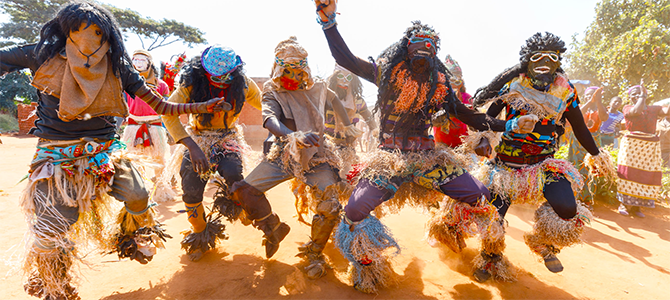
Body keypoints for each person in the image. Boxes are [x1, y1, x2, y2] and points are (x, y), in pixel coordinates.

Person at [0, 2, 224, 299]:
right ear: (66, 31)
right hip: (55, 156)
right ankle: (56, 283)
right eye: (77, 30)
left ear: (106, 35)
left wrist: (197, 107)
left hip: (106, 152)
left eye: (94, 31)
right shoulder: (42, 54)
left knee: (138, 193)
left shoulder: (117, 64)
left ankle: (133, 235)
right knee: (51, 228)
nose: (86, 39)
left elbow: (162, 106)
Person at [314, 1, 537, 292]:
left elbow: (467, 115)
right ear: (404, 48)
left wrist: (508, 125)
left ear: (436, 54)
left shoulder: (439, 84)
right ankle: (368, 268)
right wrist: (328, 22)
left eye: (431, 45)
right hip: (388, 159)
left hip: (428, 158)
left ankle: (462, 238)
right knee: (355, 210)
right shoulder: (386, 74)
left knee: (482, 199)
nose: (424, 48)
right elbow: (344, 58)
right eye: (418, 43)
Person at [466, 32, 614, 282]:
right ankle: (491, 258)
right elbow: (487, 120)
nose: (544, 61)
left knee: (567, 209)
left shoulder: (565, 92)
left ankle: (542, 242)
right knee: (493, 218)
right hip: (505, 168)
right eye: (537, 57)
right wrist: (485, 137)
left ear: (558, 61)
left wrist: (597, 154)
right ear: (527, 61)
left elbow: (580, 128)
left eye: (551, 57)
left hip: (543, 166)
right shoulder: (513, 86)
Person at [229, 37, 360, 279]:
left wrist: (348, 126)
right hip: (285, 154)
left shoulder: (319, 86)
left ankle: (314, 253)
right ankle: (273, 228)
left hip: (318, 156)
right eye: (288, 70)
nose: (294, 76)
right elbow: (269, 119)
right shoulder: (272, 89)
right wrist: (293, 136)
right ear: (278, 68)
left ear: (306, 69)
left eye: (299, 71)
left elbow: (333, 100)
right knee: (243, 191)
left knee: (329, 205)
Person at [162, 46, 262, 261]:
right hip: (197, 138)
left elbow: (266, 105)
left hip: (228, 138)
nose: (221, 81)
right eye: (215, 77)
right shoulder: (190, 84)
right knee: (190, 189)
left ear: (235, 71)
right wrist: (192, 146)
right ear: (204, 71)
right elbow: (168, 113)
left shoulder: (243, 84)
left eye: (226, 77)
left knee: (234, 175)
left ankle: (240, 207)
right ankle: (200, 235)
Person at [121, 49, 174, 202]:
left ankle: (161, 191)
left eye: (142, 60)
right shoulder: (126, 84)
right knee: (135, 161)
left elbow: (165, 106)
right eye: (135, 60)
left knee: (159, 161)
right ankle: (140, 192)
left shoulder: (161, 85)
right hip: (133, 126)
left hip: (155, 126)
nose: (138, 63)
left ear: (149, 63)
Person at [617, 85, 669, 217]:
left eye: (639, 93)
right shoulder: (627, 108)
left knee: (645, 175)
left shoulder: (654, 109)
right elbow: (637, 111)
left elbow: (667, 111)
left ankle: (637, 207)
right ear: (630, 97)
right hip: (632, 145)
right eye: (634, 94)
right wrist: (642, 96)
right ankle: (624, 203)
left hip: (649, 145)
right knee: (628, 173)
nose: (636, 96)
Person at [324, 64, 376, 176]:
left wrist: (375, 129)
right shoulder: (326, 99)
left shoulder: (358, 101)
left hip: (348, 148)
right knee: (328, 176)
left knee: (345, 177)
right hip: (327, 146)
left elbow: (368, 117)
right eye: (340, 77)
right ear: (334, 78)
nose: (344, 82)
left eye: (348, 78)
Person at [433, 55, 472, 148]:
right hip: (441, 145)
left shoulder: (467, 98)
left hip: (462, 146)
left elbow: (473, 119)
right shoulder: (437, 97)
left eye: (457, 79)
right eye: (450, 79)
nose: (453, 83)